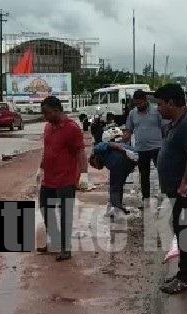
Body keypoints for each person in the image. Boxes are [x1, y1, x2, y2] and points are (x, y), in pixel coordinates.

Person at [154, 84, 187, 294]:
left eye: (160, 104)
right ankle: (185, 272)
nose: (158, 109)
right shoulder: (177, 123)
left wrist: (185, 182)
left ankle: (185, 277)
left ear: (171, 103)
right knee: (180, 228)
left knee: (184, 230)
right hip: (178, 190)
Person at [37, 96, 86, 262]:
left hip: (66, 178)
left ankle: (65, 248)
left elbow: (80, 152)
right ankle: (56, 242)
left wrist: (84, 174)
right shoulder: (48, 127)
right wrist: (41, 168)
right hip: (49, 178)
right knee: (45, 208)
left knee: (65, 213)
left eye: (47, 113)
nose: (45, 116)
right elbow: (47, 149)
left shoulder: (72, 128)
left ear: (57, 110)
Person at [123, 90, 163, 202]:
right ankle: (146, 198)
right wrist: (123, 140)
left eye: (140, 103)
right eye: (136, 104)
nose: (138, 106)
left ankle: (164, 194)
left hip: (157, 147)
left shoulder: (157, 111)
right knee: (144, 174)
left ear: (146, 100)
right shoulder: (132, 113)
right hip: (141, 149)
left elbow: (165, 128)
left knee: (161, 171)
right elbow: (128, 130)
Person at [90, 141, 138, 217]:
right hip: (129, 162)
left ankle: (116, 209)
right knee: (118, 186)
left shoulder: (96, 149)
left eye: (95, 165)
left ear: (94, 158)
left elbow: (109, 144)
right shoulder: (106, 157)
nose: (98, 168)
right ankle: (118, 207)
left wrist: (118, 146)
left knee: (114, 188)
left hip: (119, 162)